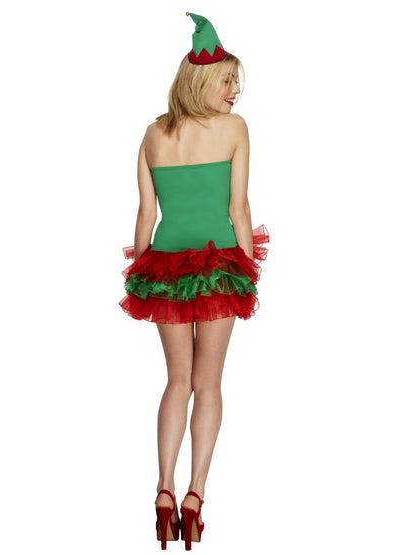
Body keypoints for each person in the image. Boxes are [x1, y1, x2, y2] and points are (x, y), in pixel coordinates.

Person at [119, 12, 270, 550]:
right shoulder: (234, 129)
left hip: (163, 265)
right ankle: (194, 496)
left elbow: (146, 217)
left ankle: (163, 490)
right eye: (226, 81)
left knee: (176, 381)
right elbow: (238, 209)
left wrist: (142, 274)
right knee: (207, 384)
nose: (234, 92)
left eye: (235, 82)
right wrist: (247, 272)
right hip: (218, 266)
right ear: (201, 80)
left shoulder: (152, 134)